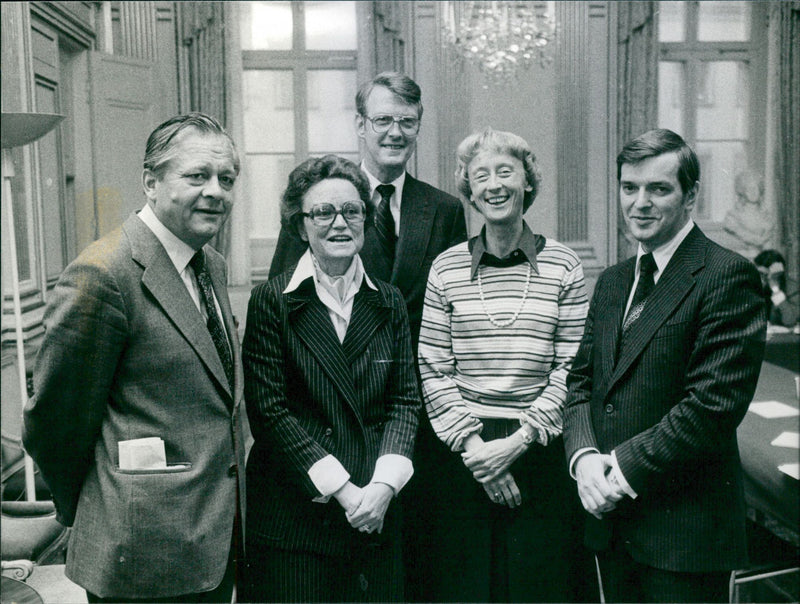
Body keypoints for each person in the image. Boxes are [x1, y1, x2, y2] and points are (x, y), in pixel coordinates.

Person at [22, 113, 246, 603]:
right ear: (150, 182)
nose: (216, 191)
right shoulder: (102, 274)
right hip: (141, 555)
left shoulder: (210, 263)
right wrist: (96, 507)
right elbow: (54, 424)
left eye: (226, 179)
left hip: (212, 543)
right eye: (197, 176)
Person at [268, 71, 467, 601]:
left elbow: (451, 309)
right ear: (360, 125)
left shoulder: (444, 210)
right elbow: (286, 307)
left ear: (419, 126)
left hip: (406, 425)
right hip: (326, 428)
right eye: (382, 120)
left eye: (407, 121)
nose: (394, 132)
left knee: (406, 572)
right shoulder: (322, 200)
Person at [563, 128, 767, 603]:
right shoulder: (613, 282)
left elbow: (711, 408)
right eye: (629, 188)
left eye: (659, 189)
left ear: (690, 195)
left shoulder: (727, 275)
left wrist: (618, 469)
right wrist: (584, 457)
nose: (640, 203)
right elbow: (580, 384)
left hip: (685, 538)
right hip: (611, 528)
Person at [417, 129, 591, 602]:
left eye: (505, 172)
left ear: (527, 183)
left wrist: (516, 443)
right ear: (469, 192)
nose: (493, 185)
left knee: (539, 588)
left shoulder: (564, 264)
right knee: (468, 589)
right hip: (464, 456)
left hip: (539, 449)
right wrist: (480, 453)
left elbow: (572, 367)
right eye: (480, 176)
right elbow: (433, 366)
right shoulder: (445, 267)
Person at [241, 155, 421, 602]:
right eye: (323, 212)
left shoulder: (390, 302)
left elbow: (405, 402)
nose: (339, 222)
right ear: (301, 227)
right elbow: (270, 412)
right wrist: (344, 492)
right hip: (299, 521)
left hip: (375, 513)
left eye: (352, 210)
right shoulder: (272, 302)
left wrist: (382, 487)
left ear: (366, 218)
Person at [723, 169, 773, 258]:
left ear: (760, 190)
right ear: (743, 191)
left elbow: (768, 238)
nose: (753, 192)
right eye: (749, 189)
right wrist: (756, 240)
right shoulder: (733, 216)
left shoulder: (766, 215)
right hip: (741, 258)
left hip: (763, 258)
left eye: (756, 188)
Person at [753, 249, 798, 328]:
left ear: (778, 274)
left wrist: (776, 289)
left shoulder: (793, 289)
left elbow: (790, 321)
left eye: (763, 274)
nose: (760, 278)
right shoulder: (752, 287)